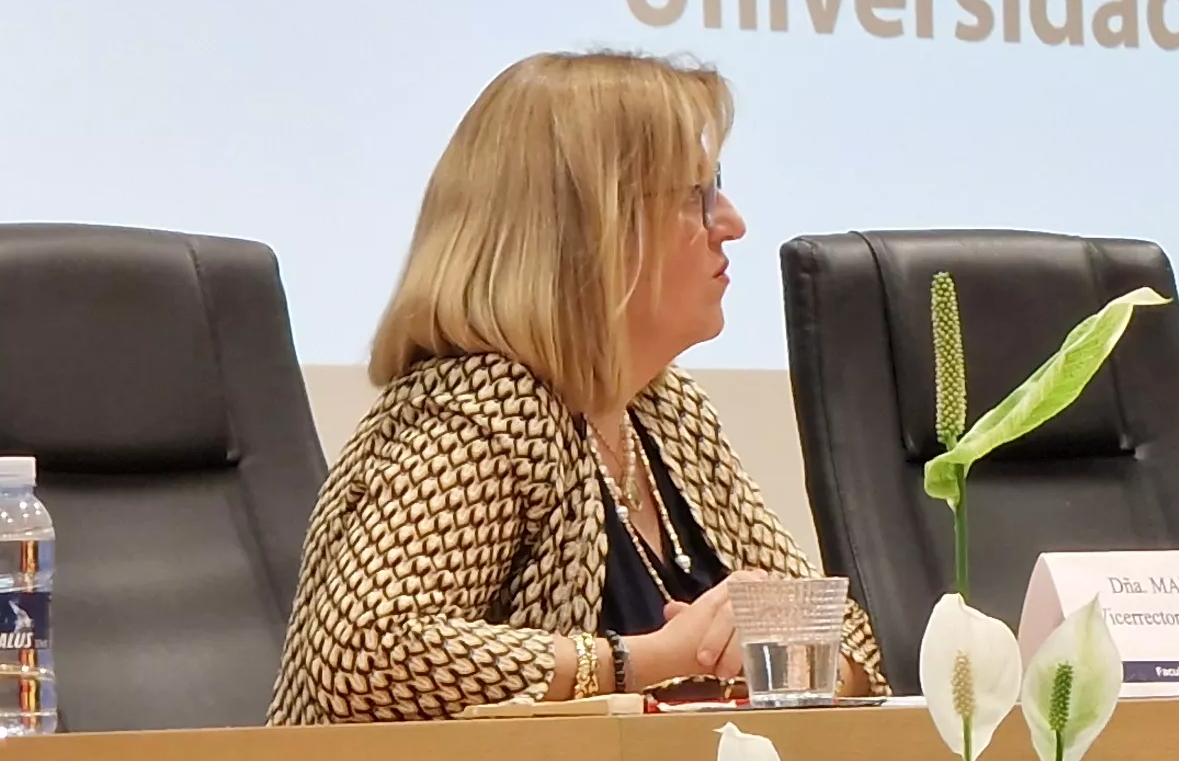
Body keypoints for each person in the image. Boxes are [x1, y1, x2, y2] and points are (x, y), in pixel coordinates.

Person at [273, 51, 880, 723]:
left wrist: (780, 641)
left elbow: (853, 644)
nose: (732, 223)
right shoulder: (482, 411)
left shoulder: (667, 409)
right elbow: (365, 655)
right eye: (697, 195)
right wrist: (646, 660)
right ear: (592, 229)